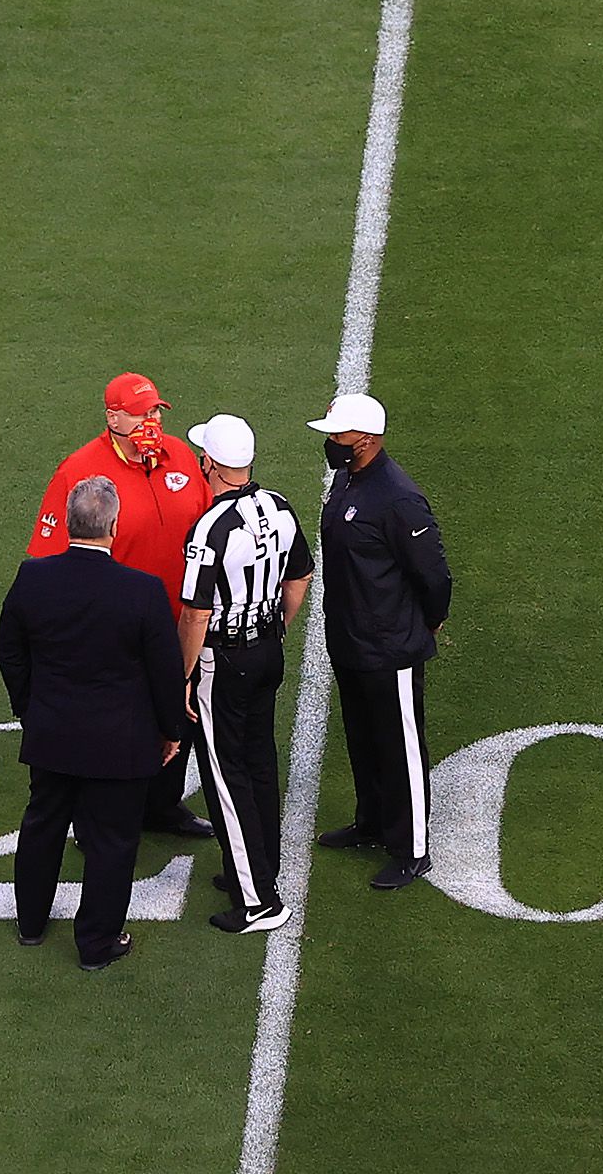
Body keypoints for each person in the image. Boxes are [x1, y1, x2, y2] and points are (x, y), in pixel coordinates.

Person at [0, 475, 187, 972]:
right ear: (114, 526)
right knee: (111, 843)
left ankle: (30, 924)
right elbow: (166, 673)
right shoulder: (142, 591)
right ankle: (97, 944)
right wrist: (170, 732)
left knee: (42, 827)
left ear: (70, 521)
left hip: (52, 734)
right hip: (118, 745)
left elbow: (9, 651)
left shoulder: (32, 578)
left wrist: (30, 707)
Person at [28, 371, 217, 839]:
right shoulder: (80, 472)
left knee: (180, 708)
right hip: (116, 622)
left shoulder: (180, 457)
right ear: (113, 417)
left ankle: (163, 805)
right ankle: (104, 818)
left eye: (155, 411)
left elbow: (210, 521)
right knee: (121, 720)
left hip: (183, 615)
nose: (151, 421)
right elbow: (50, 558)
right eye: (141, 413)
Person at [307, 393, 450, 891]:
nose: (331, 442)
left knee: (401, 745)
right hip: (349, 640)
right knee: (364, 738)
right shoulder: (348, 480)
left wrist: (429, 622)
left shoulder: (398, 497)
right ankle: (370, 822)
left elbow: (432, 574)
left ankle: (412, 849)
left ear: (365, 440)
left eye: (339, 435)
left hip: (389, 648)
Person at [178, 413, 313, 934]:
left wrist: (184, 676)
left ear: (209, 462)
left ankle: (258, 902)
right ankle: (259, 867)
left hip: (223, 659)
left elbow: (195, 614)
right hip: (266, 651)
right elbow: (301, 573)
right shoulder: (278, 506)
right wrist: (275, 626)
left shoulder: (210, 528)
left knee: (225, 774)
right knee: (259, 762)